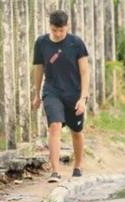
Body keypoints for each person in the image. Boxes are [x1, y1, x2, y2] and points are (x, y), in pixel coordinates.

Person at [32, 10, 89, 183]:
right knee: (54, 126)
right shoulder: (41, 43)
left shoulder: (76, 43)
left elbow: (85, 72)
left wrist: (83, 98)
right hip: (52, 92)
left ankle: (78, 166)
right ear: (50, 26)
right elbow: (38, 69)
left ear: (67, 27)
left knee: (76, 131)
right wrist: (36, 94)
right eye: (54, 30)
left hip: (73, 93)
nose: (57, 34)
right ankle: (55, 171)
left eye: (61, 31)